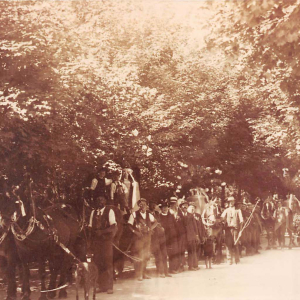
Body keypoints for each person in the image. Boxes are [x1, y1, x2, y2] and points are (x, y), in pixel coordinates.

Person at [90, 196, 117, 294]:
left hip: (106, 241)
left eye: (102, 199)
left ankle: (109, 286)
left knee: (107, 263)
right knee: (98, 263)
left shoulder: (109, 211)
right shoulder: (93, 213)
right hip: (97, 242)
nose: (99, 201)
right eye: (98, 200)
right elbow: (90, 227)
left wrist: (102, 232)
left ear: (105, 201)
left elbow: (113, 227)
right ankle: (101, 286)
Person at [127, 198, 158, 281]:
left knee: (146, 255)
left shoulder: (149, 214)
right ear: (138, 206)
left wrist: (150, 228)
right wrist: (135, 232)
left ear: (146, 205)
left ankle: (144, 273)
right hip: (138, 238)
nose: (142, 206)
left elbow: (155, 222)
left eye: (144, 204)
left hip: (147, 237)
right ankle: (139, 274)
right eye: (140, 204)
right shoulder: (134, 214)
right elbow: (129, 225)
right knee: (139, 255)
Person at [149, 200, 171, 278]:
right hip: (154, 237)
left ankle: (166, 271)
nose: (154, 207)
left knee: (164, 254)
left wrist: (161, 227)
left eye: (154, 205)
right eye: (152, 205)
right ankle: (160, 272)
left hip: (161, 236)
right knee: (158, 255)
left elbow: (160, 223)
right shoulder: (147, 215)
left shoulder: (158, 214)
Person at [221, 196, 244, 265]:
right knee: (228, 245)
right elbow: (221, 218)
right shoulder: (226, 210)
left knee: (235, 244)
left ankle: (237, 259)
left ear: (234, 202)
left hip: (235, 229)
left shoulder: (238, 210)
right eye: (229, 202)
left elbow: (241, 221)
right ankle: (229, 260)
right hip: (228, 229)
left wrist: (240, 230)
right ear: (228, 203)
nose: (231, 203)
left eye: (232, 201)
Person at [159, 199, 179, 274]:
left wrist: (176, 235)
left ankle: (172, 269)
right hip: (164, 238)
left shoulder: (171, 216)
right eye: (163, 207)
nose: (165, 209)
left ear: (168, 208)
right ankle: (164, 270)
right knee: (164, 254)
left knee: (172, 253)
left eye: (166, 207)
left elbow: (175, 225)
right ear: (161, 209)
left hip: (172, 237)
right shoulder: (159, 216)